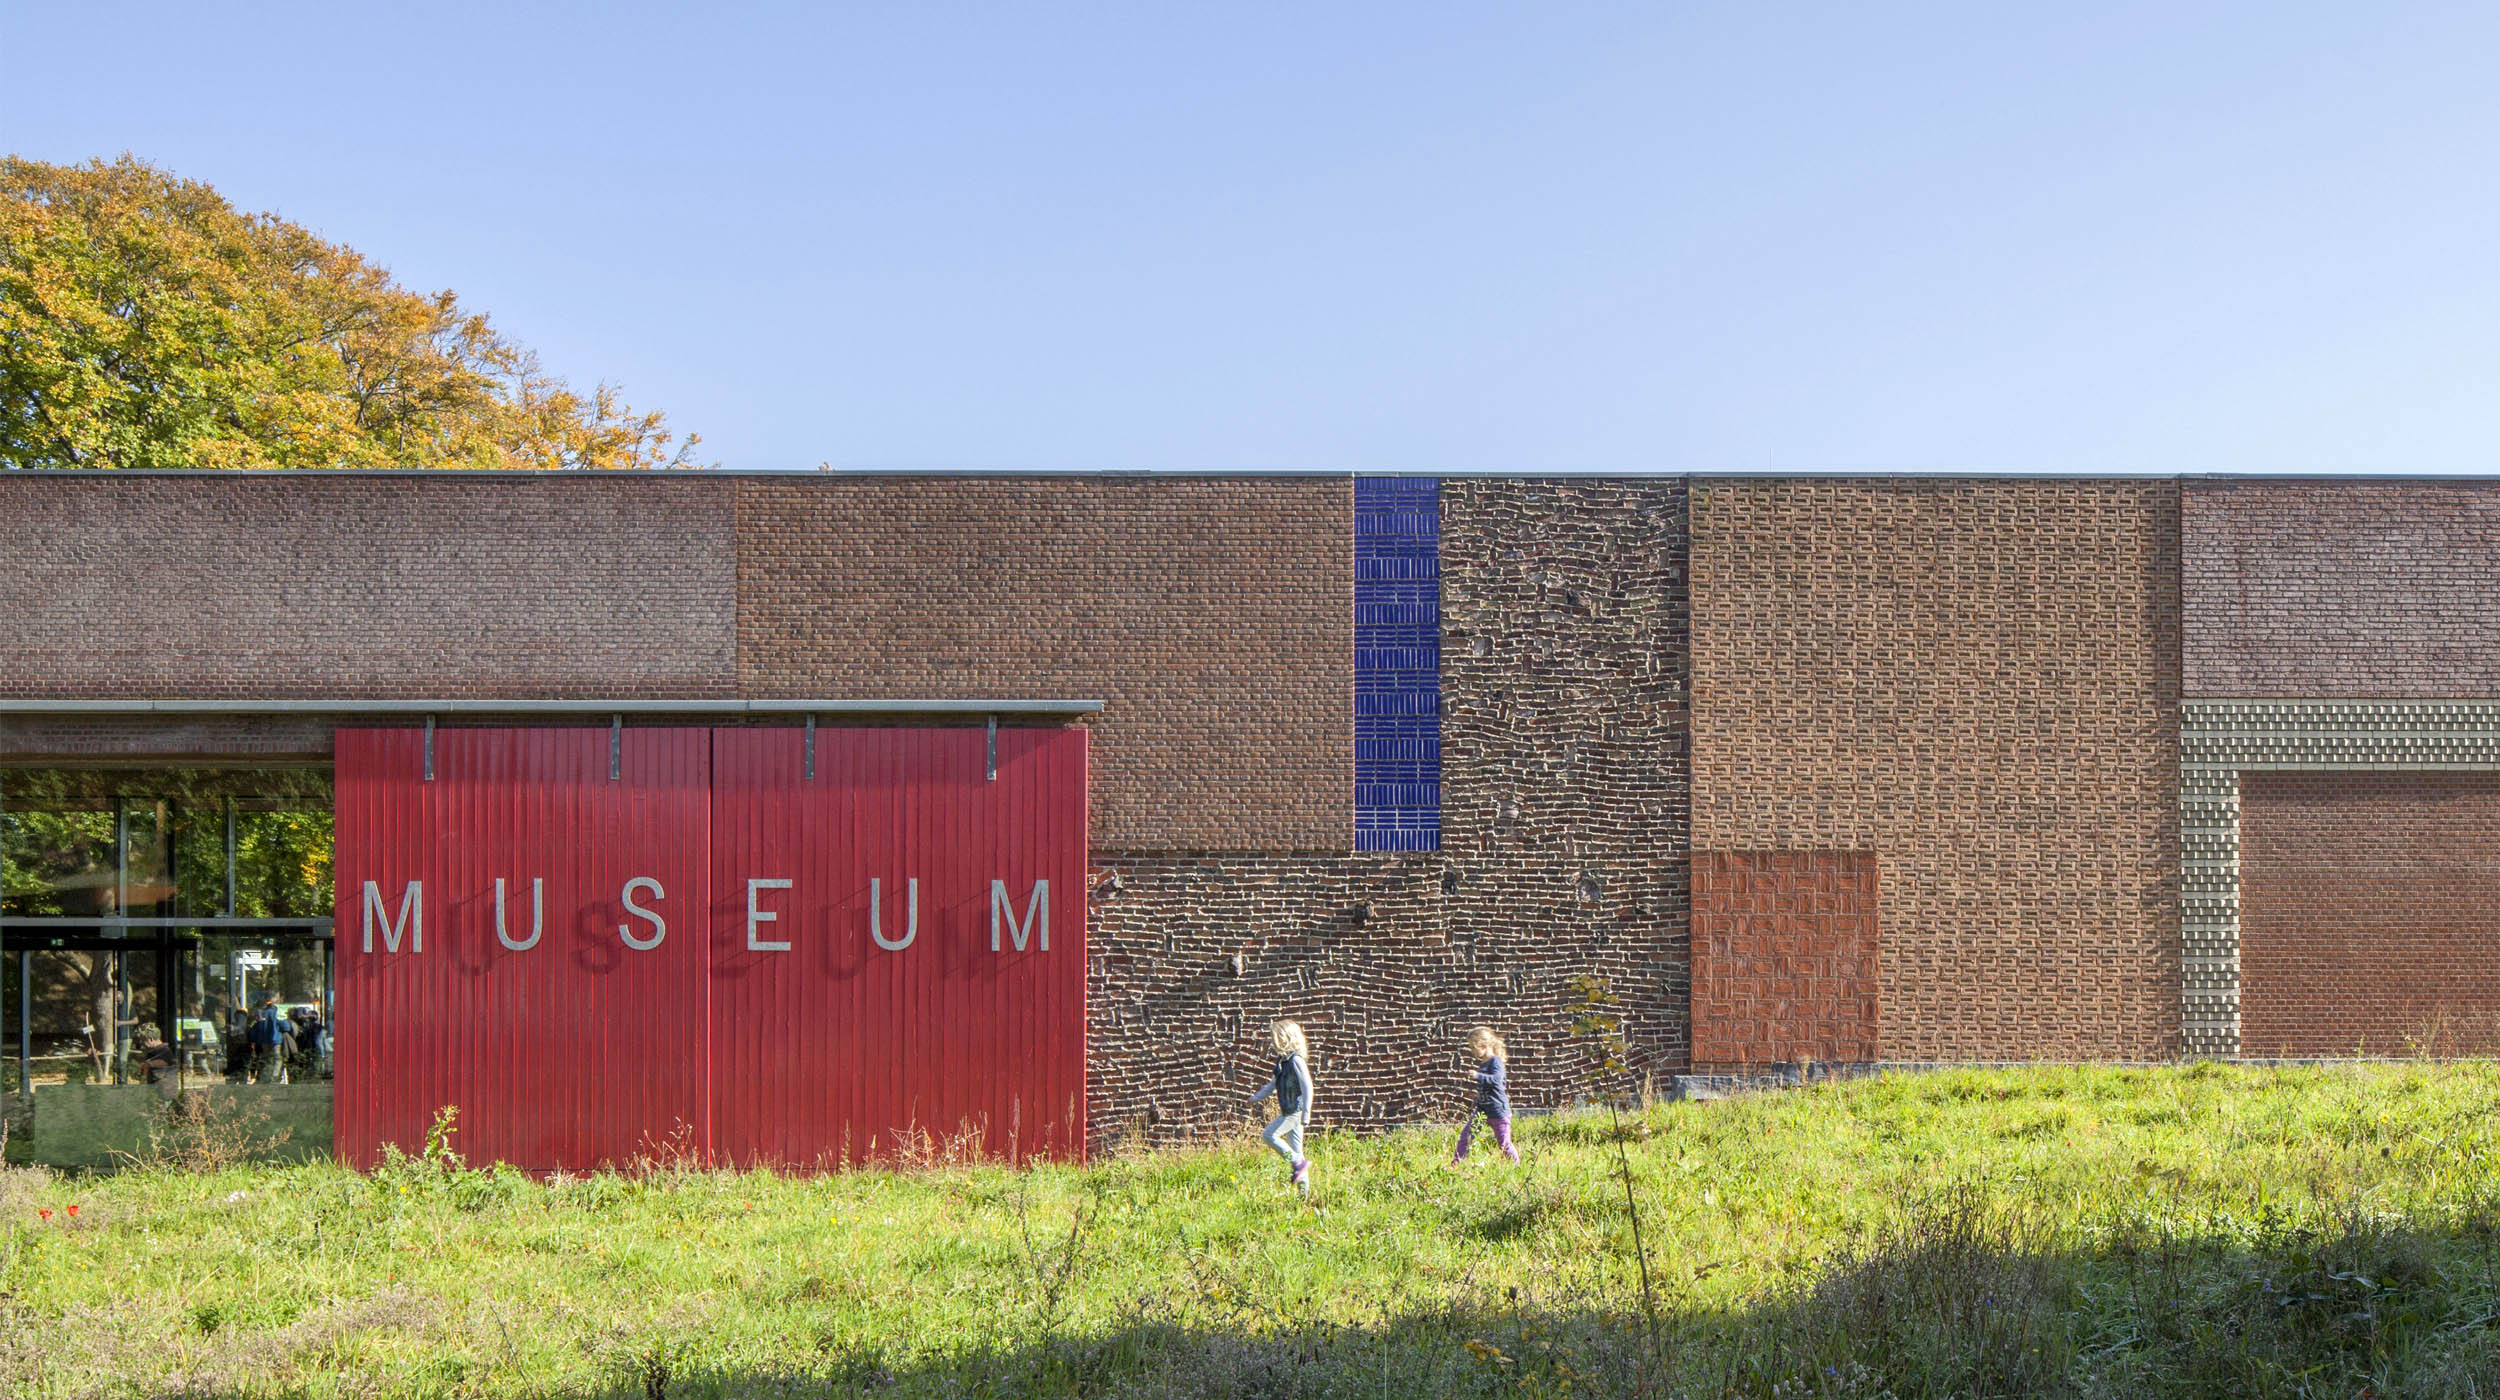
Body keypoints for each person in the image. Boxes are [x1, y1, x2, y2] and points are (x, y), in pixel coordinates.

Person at [1248, 1019, 1315, 1194]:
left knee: (1268, 1135)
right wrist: (1256, 1097)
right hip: (1289, 1110)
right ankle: (1304, 1194)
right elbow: (1273, 1085)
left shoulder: (1296, 1061)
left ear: (1285, 1038)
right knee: (1297, 1150)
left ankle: (1297, 1164)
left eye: (1275, 1037)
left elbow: (1308, 1086)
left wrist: (1306, 1114)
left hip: (1295, 1111)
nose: (1272, 1041)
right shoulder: (1282, 1061)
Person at [1453, 1025, 1520, 1165]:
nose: (1472, 1051)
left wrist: (1478, 1076)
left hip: (1498, 1112)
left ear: (1483, 1044)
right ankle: (1457, 1164)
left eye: (1473, 1047)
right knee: (1466, 1137)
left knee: (1504, 1144)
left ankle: (1516, 1166)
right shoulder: (1483, 1064)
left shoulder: (1495, 1062)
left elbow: (1496, 1080)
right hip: (1482, 1111)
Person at [244, 995, 294, 1085]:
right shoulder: (277, 1013)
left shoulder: (261, 1013)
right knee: (277, 1058)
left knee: (266, 1058)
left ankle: (264, 1076)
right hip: (275, 1040)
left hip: (263, 1040)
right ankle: (274, 1077)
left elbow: (254, 1028)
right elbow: (286, 1027)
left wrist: (254, 1039)